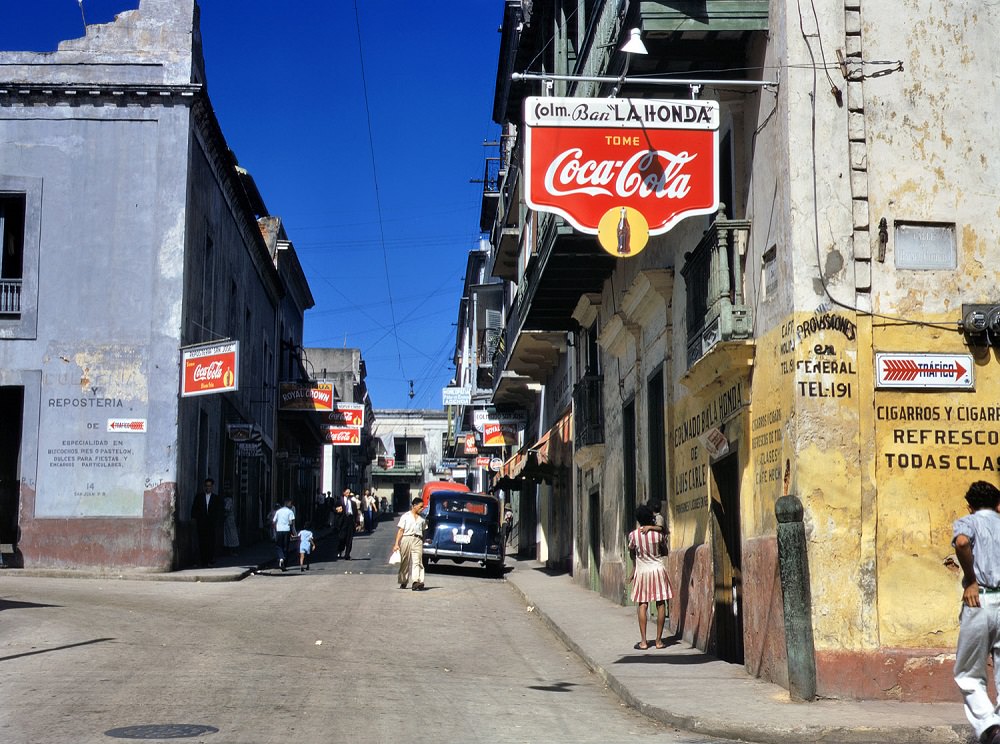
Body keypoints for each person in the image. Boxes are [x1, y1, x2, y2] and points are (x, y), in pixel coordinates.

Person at [953, 481, 1000, 744]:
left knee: (969, 672)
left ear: (970, 507)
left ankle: (991, 725)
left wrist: (971, 579)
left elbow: (961, 543)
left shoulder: (968, 522)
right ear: (998, 504)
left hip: (979, 600)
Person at [626, 503, 672, 650]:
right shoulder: (658, 535)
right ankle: (659, 641)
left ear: (639, 519)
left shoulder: (633, 535)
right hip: (658, 569)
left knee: (643, 604)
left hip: (642, 571)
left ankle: (644, 642)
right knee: (660, 604)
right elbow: (665, 550)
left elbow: (632, 550)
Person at [393, 496, 426, 591]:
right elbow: (400, 531)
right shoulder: (405, 516)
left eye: (422, 507)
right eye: (420, 506)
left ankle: (417, 581)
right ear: (414, 506)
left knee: (417, 561)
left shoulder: (422, 519)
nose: (422, 508)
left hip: (418, 540)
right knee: (405, 561)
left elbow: (424, 530)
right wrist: (396, 544)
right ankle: (403, 580)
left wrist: (423, 540)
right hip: (406, 538)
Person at [190, 478, 223, 566]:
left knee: (211, 541)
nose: (208, 488)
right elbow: (194, 509)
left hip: (211, 523)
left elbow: (218, 511)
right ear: (204, 487)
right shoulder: (199, 497)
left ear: (212, 487)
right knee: (202, 541)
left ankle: (210, 559)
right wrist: (195, 519)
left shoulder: (216, 498)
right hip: (201, 523)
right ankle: (203, 560)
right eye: (206, 486)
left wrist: (216, 521)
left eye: (210, 486)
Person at [272, 498, 296, 571]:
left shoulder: (278, 511)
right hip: (287, 530)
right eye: (290, 503)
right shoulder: (290, 512)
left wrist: (275, 530)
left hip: (279, 530)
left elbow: (274, 521)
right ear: (286, 503)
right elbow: (291, 523)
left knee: (279, 546)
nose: (291, 505)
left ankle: (281, 558)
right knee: (286, 547)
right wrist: (293, 533)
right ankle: (284, 562)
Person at [335, 487, 357, 559]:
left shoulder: (353, 503)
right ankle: (340, 550)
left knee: (349, 538)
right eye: (347, 492)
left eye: (349, 493)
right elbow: (334, 508)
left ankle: (347, 554)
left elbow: (355, 513)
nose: (348, 494)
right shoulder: (339, 501)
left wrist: (356, 522)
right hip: (343, 520)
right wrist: (337, 510)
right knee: (342, 537)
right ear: (344, 493)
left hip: (350, 520)